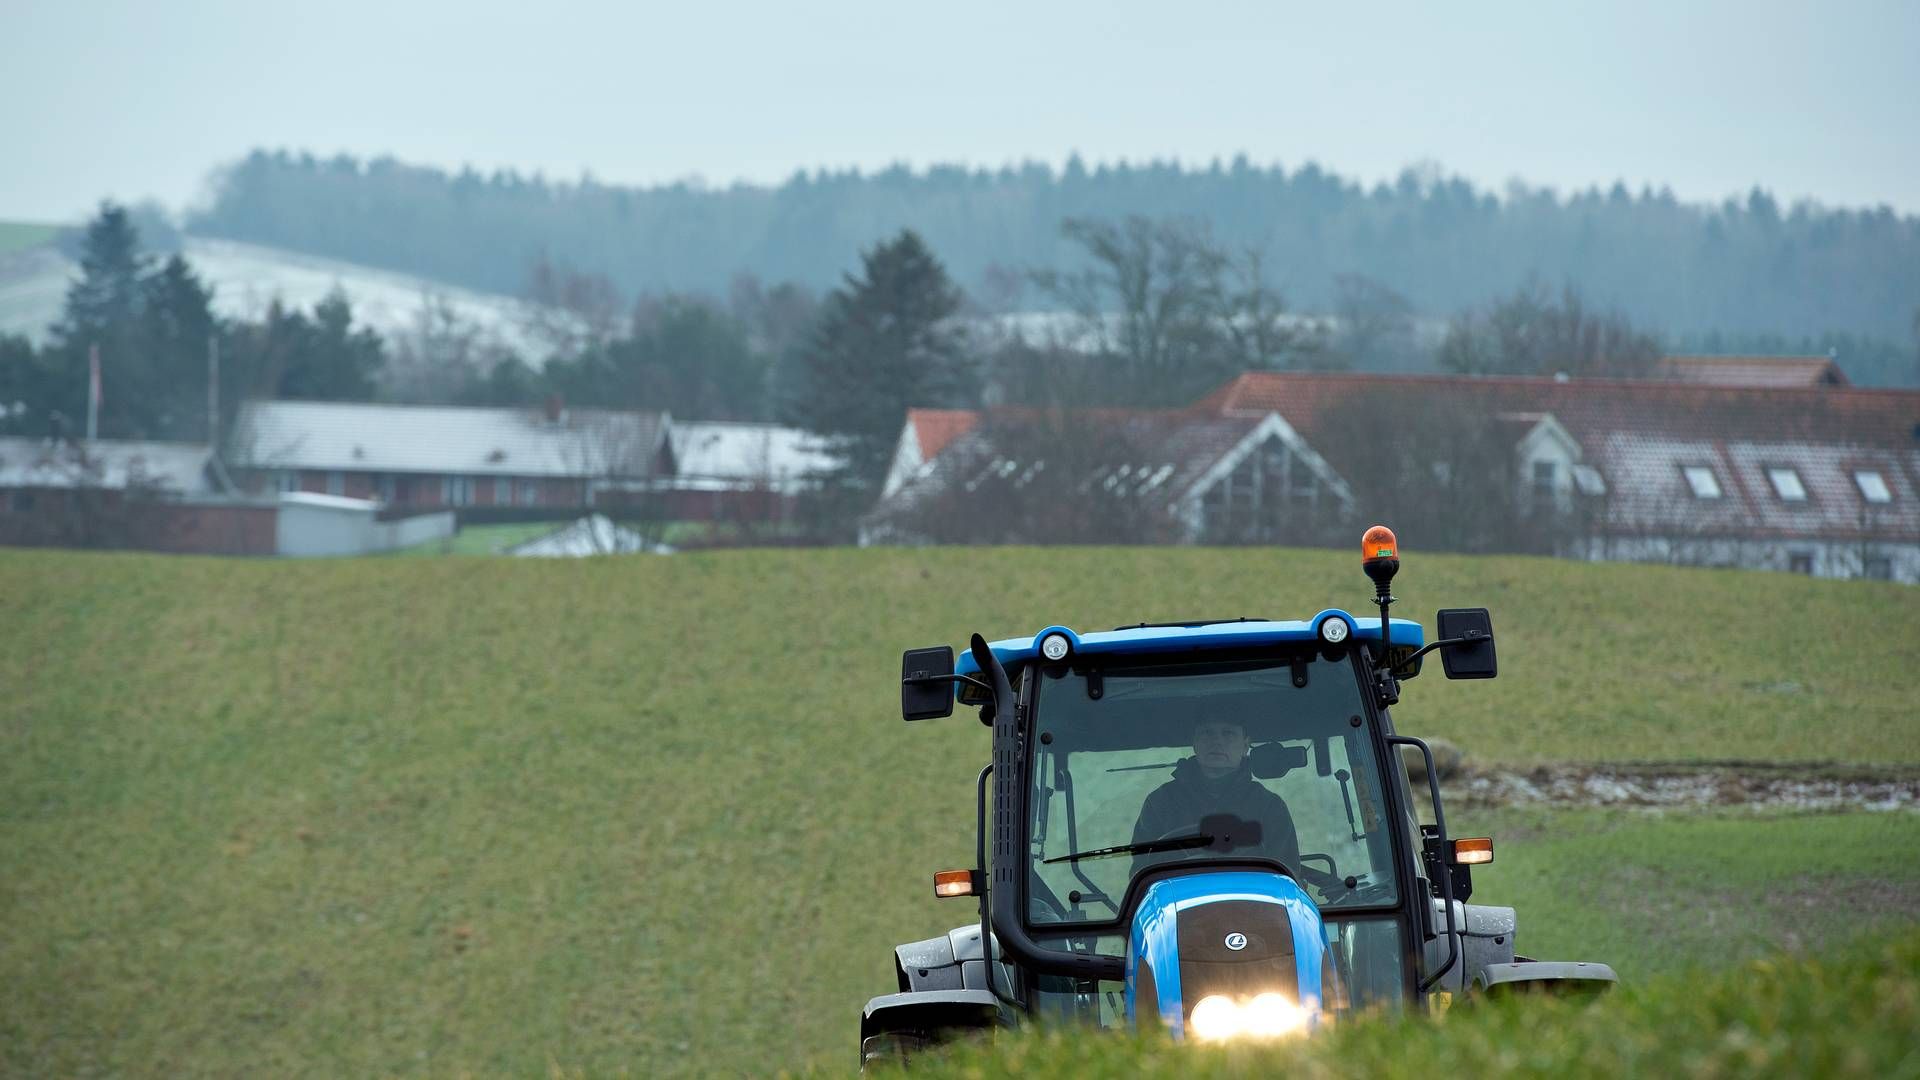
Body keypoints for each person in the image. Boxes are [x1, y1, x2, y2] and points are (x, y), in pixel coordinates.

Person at [1130, 716, 1302, 880]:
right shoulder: (1161, 802)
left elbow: (1287, 878)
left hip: (1256, 907)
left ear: (1245, 745)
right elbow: (1143, 874)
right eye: (1207, 733)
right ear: (1194, 743)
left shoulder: (1269, 806)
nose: (1217, 741)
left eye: (1228, 733)